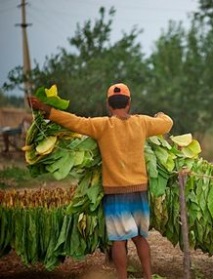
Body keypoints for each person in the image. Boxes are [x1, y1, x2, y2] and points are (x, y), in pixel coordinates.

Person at [28, 83, 173, 279]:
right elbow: (167, 124)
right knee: (140, 238)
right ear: (129, 103)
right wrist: (161, 115)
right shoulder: (142, 123)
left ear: (108, 104)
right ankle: (148, 276)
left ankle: (122, 277)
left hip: (115, 193)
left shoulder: (101, 125)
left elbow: (74, 121)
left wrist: (47, 110)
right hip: (139, 190)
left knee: (119, 241)